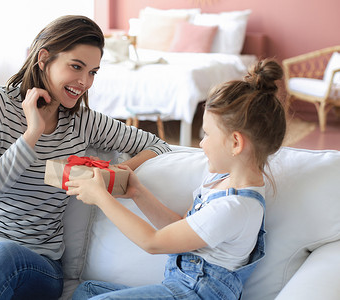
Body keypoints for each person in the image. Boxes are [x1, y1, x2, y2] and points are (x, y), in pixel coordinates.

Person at [0, 15, 170, 300]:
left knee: (4, 253)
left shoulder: (85, 122)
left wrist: (114, 172)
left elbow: (158, 145)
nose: (85, 82)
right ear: (44, 58)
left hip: (37, 268)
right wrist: (31, 134)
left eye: (93, 72)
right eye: (76, 67)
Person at [67, 59, 287, 300]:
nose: (201, 143)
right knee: (85, 291)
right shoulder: (219, 179)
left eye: (207, 134)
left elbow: (153, 242)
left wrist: (101, 197)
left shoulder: (236, 207)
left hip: (197, 294)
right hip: (178, 287)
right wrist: (138, 191)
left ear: (235, 143)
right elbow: (179, 228)